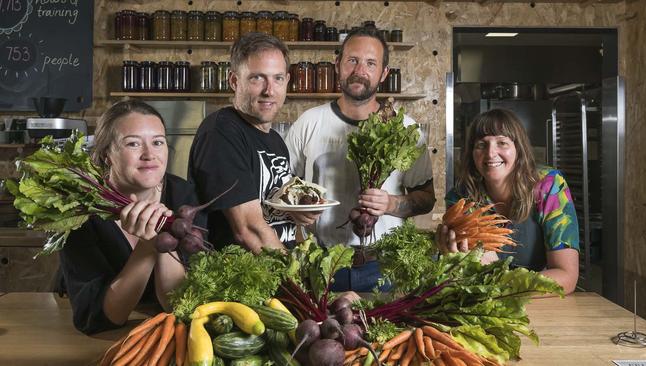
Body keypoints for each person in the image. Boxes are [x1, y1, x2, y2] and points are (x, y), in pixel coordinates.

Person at [284, 28, 435, 292]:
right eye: (352, 60)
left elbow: (427, 198)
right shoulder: (308, 123)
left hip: (384, 266)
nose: (360, 70)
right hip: (321, 262)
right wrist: (295, 210)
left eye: (370, 63)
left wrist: (390, 203)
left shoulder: (405, 129)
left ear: (384, 73)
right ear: (338, 65)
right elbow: (283, 188)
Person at [58, 100, 202, 334]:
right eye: (133, 144)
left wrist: (162, 238)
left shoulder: (184, 197)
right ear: (107, 155)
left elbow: (179, 305)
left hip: (167, 332)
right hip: (106, 337)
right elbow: (103, 319)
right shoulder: (79, 212)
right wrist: (147, 247)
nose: (149, 155)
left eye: (158, 142)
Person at [188, 32, 319, 254]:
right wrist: (296, 283)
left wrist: (295, 212)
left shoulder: (275, 141)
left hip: (274, 274)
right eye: (257, 78)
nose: (269, 90)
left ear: (287, 81)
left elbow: (268, 210)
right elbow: (248, 230)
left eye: (277, 78)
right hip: (240, 280)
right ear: (234, 81)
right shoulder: (222, 133)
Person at [438, 108, 579, 294]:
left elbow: (566, 277)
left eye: (502, 143)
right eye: (481, 145)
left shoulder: (549, 187)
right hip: (486, 302)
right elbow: (459, 280)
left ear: (518, 149)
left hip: (539, 300)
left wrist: (500, 278)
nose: (490, 153)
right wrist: (451, 259)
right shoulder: (460, 198)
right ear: (472, 153)